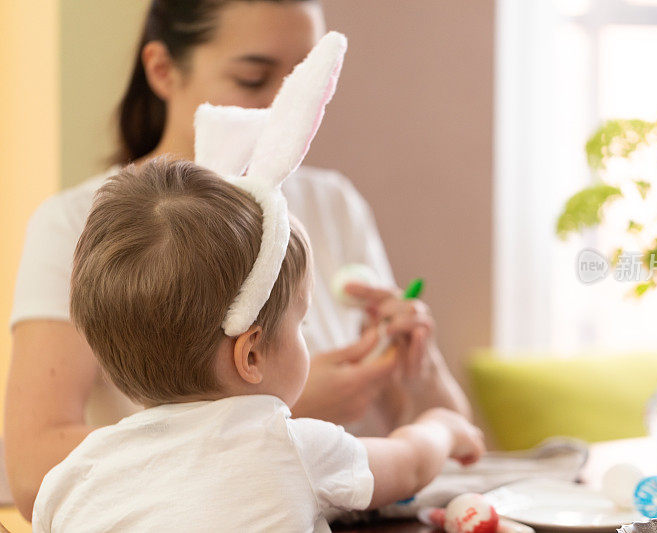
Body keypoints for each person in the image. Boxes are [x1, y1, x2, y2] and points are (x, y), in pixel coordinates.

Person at [6, 0, 470, 520]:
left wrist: (417, 364)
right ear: (161, 69)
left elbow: (454, 446)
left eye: (304, 82)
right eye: (254, 78)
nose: (286, 107)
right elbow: (30, 475)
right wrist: (273, 414)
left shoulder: (332, 204)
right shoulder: (77, 225)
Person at [31, 159, 485, 532]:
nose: (306, 336)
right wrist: (443, 427)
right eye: (301, 324)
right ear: (251, 355)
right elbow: (408, 465)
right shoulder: (291, 446)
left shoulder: (73, 476)